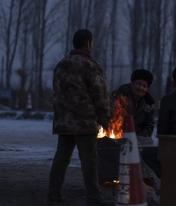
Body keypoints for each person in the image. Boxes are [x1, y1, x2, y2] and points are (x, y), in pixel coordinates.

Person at [48, 29, 110, 205]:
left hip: (64, 122)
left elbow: (56, 92)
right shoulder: (90, 65)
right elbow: (100, 93)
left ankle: (53, 195)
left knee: (61, 159)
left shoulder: (61, 65)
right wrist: (104, 117)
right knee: (89, 161)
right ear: (88, 43)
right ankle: (94, 197)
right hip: (85, 122)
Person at [112, 69, 155, 139]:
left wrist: (141, 137)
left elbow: (149, 124)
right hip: (118, 137)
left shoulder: (149, 103)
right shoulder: (119, 96)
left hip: (138, 139)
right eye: (139, 84)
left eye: (144, 86)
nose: (141, 88)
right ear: (132, 83)